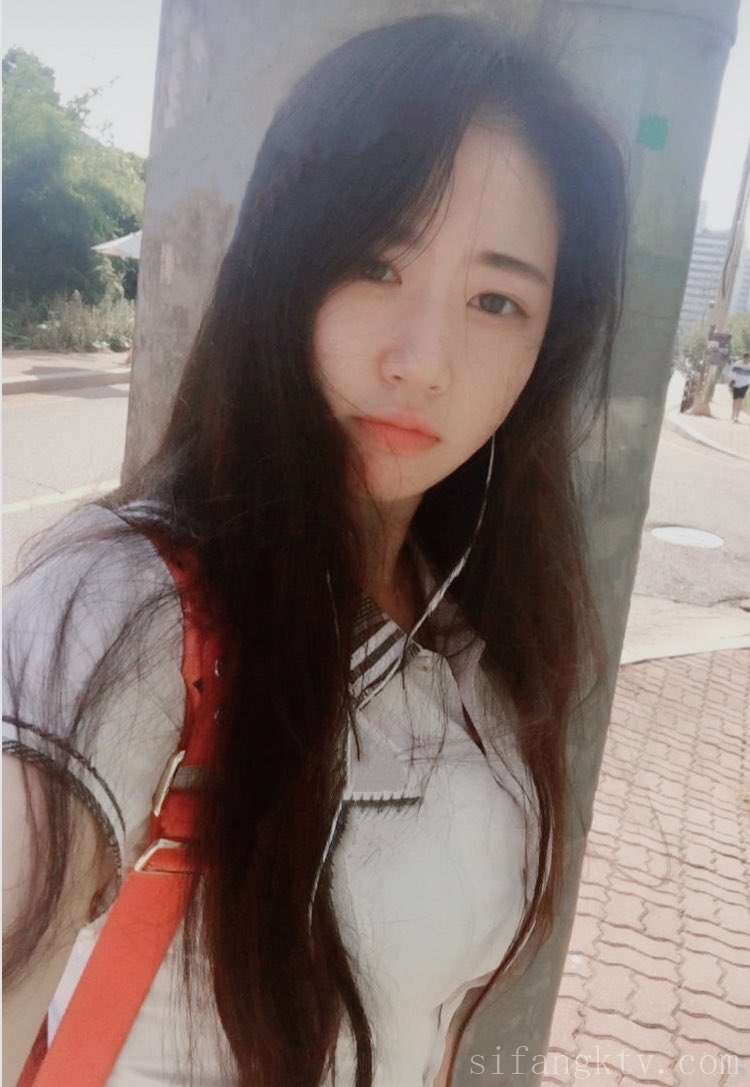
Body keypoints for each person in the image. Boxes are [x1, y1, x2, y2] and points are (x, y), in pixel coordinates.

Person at [2, 14, 627, 1087]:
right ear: (281, 267)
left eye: (495, 298)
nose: (422, 361)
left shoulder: (469, 621)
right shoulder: (124, 609)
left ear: (546, 343)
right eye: (375, 262)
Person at [728, 351, 750, 422]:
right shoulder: (738, 364)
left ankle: (737, 416)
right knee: (735, 400)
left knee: (740, 400)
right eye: (746, 358)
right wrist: (731, 380)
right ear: (743, 358)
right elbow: (732, 372)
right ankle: (733, 413)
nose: (747, 360)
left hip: (744, 385)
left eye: (748, 358)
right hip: (736, 384)